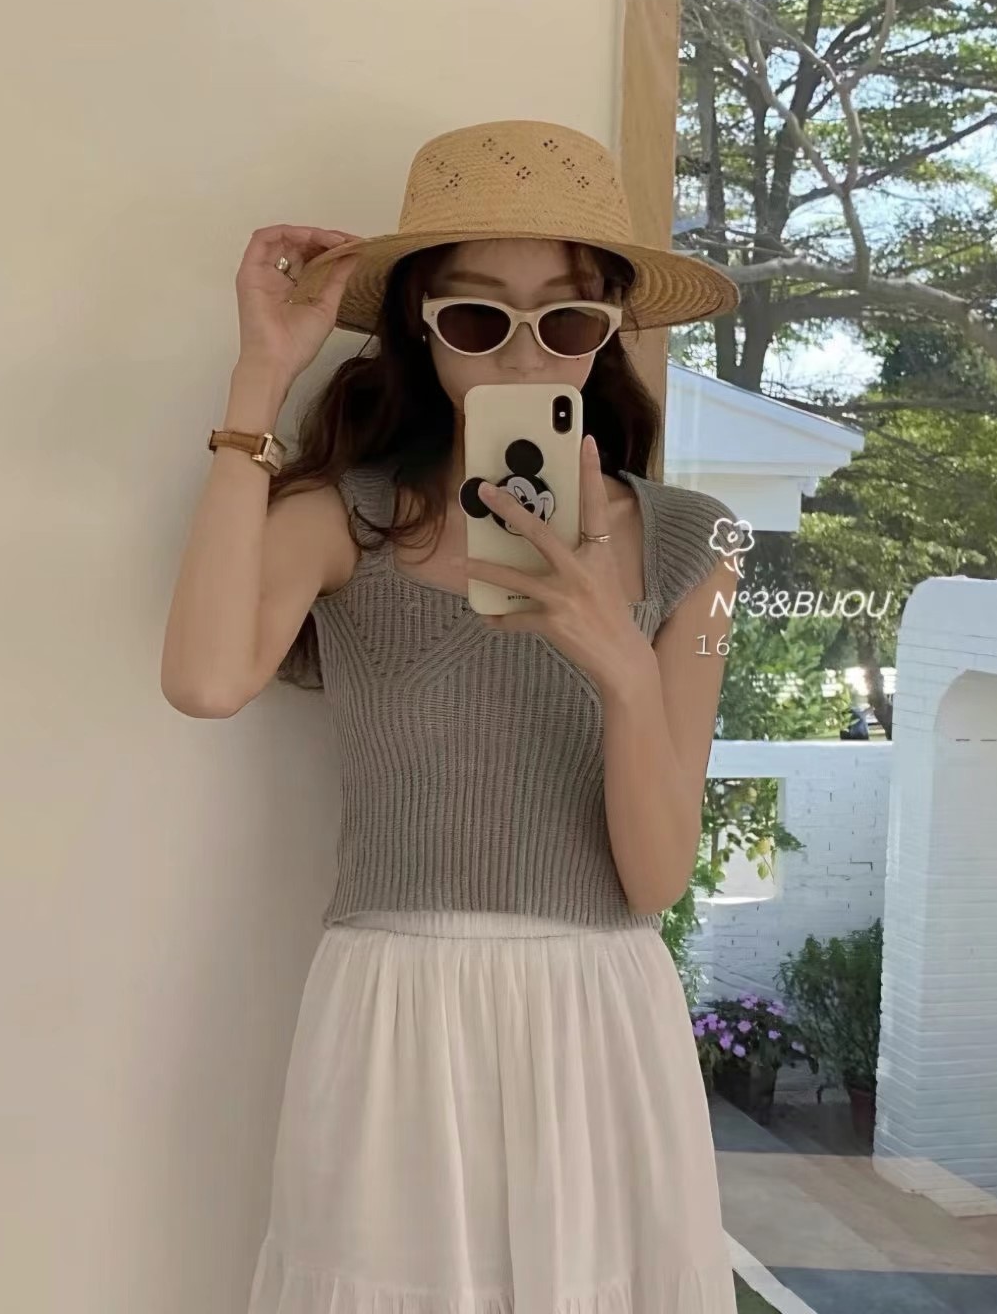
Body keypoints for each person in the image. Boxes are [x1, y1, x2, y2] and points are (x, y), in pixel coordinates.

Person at [161, 119, 743, 1313]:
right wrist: (259, 378)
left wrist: (620, 663)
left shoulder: (698, 544)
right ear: (423, 332)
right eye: (478, 320)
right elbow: (206, 681)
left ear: (608, 332)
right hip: (395, 1016)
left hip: (598, 1021)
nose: (525, 357)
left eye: (566, 323)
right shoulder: (347, 519)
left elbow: (652, 877)